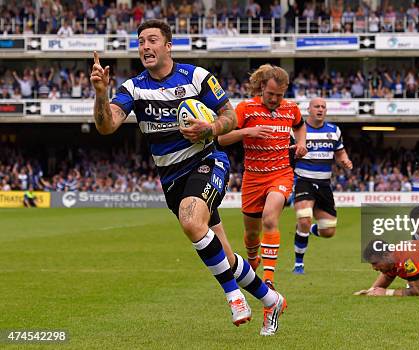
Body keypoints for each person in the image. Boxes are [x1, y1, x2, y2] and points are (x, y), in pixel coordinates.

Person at [90, 19, 285, 336]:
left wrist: (209, 128)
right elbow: (106, 125)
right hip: (172, 180)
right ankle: (271, 299)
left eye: (152, 40)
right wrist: (101, 93)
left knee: (191, 221)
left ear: (168, 46)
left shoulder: (196, 77)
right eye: (140, 41)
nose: (145, 46)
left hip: (207, 161)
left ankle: (234, 297)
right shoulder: (134, 87)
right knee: (226, 255)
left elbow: (230, 116)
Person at [218, 64, 307, 287]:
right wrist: (248, 131)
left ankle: (268, 279)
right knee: (251, 233)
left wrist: (302, 143)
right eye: (270, 94)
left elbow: (300, 125)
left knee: (270, 217)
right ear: (260, 88)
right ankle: (251, 260)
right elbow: (222, 139)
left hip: (281, 174)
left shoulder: (291, 108)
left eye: (279, 95)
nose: (275, 99)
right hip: (253, 179)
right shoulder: (245, 109)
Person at [292, 98, 352, 274]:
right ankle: (298, 264)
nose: (320, 109)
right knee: (304, 216)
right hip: (303, 180)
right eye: (316, 106)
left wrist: (345, 161)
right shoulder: (298, 130)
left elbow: (340, 153)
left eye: (323, 107)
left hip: (324, 184)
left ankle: (307, 229)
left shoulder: (334, 131)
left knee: (328, 230)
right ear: (309, 109)